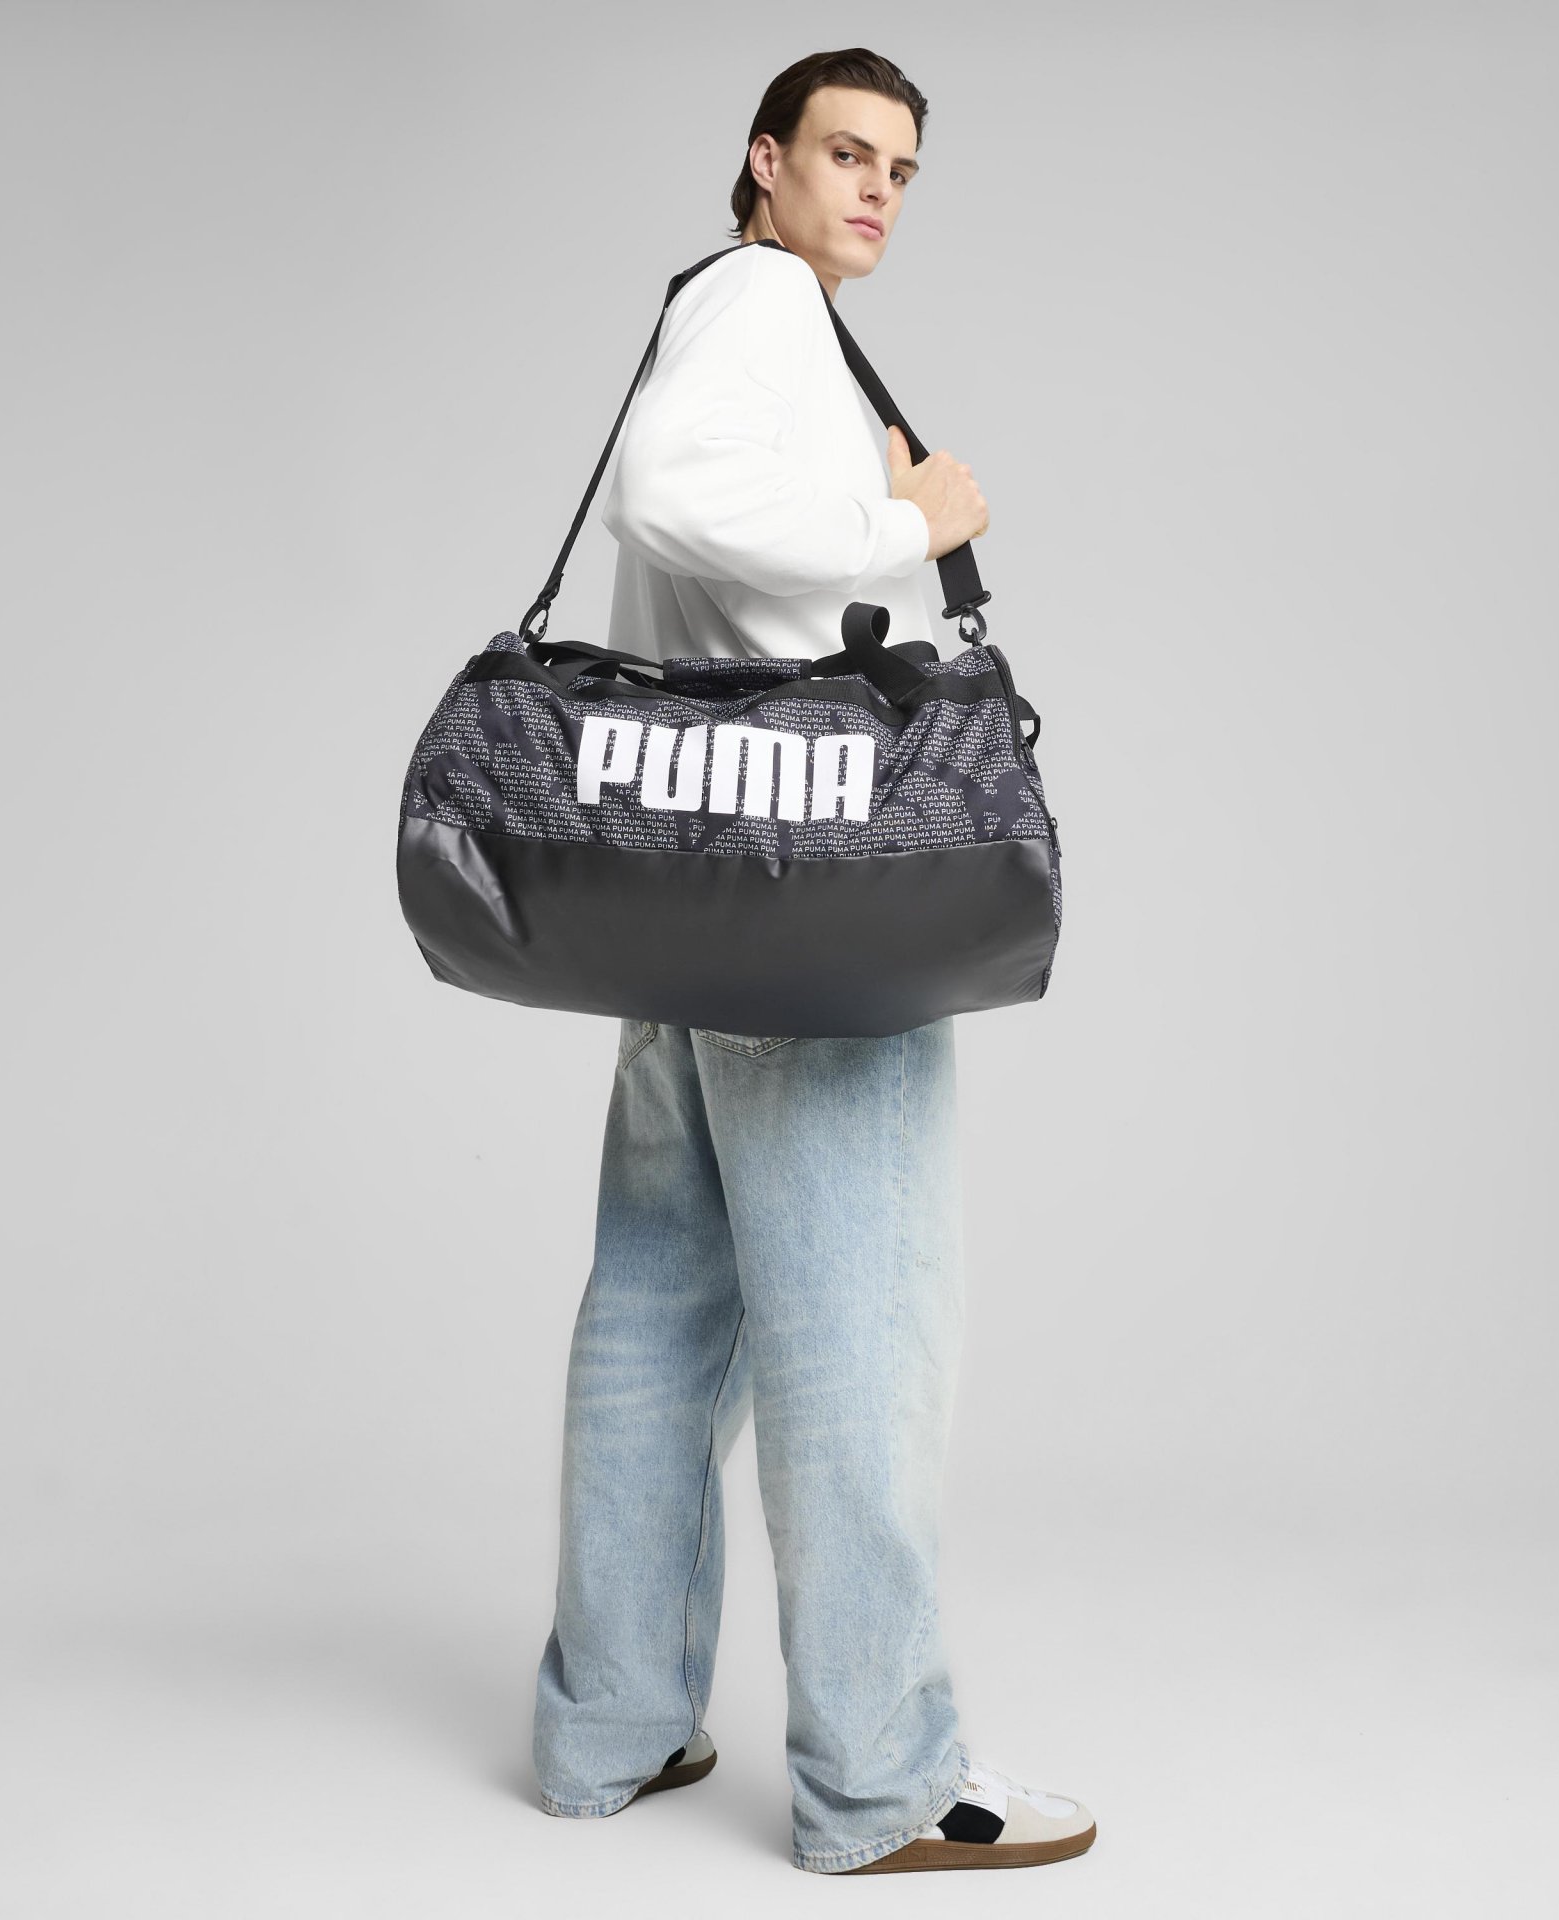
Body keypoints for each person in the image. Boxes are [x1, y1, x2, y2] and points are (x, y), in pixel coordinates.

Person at [530, 48, 1096, 1877]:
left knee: (659, 1316)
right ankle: (881, 1784)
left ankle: (609, 1730)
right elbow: (670, 503)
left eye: (902, 169)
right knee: (864, 1335)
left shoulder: (730, 307)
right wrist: (916, 523)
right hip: (813, 912)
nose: (876, 191)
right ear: (764, 161)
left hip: (687, 896)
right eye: (847, 153)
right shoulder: (766, 302)